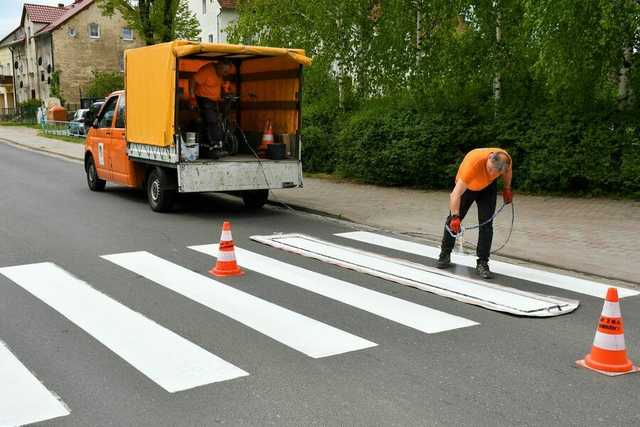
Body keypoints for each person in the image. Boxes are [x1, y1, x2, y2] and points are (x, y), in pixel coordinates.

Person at [436, 148, 513, 279]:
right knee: (452, 221)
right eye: (489, 170)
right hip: (468, 186)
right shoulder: (474, 164)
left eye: (495, 174)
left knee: (486, 225)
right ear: (489, 160)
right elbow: (455, 194)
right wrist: (455, 217)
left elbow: (508, 173)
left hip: (487, 189)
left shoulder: (506, 160)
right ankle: (445, 254)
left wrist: (506, 188)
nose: (491, 174)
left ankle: (482, 262)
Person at [190, 61, 228, 154]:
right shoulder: (207, 70)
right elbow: (193, 80)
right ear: (219, 66)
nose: (224, 74)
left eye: (226, 71)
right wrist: (191, 97)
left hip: (214, 101)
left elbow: (218, 86)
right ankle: (214, 145)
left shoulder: (219, 73)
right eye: (224, 71)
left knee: (217, 120)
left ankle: (214, 143)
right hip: (204, 99)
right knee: (212, 120)